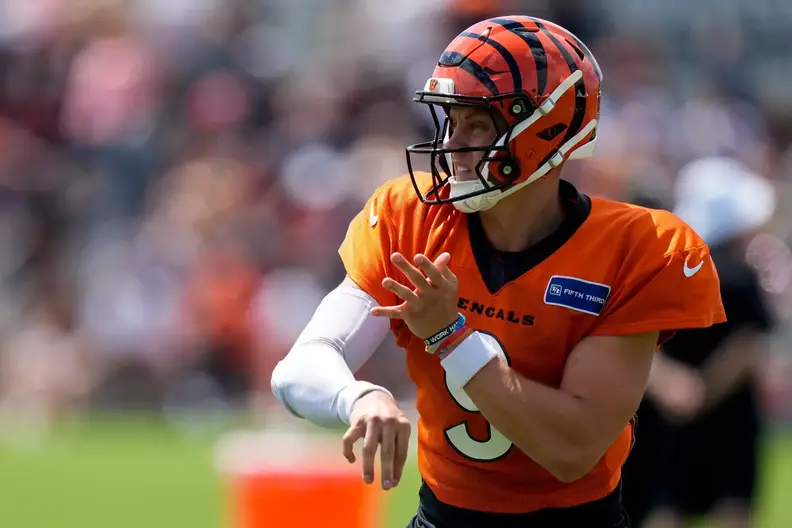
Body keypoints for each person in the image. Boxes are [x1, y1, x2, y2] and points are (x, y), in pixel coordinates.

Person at [271, 15, 726, 528]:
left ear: (545, 127)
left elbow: (571, 449)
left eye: (476, 123)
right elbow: (297, 370)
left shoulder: (637, 247)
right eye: (450, 121)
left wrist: (450, 336)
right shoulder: (411, 218)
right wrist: (359, 396)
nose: (450, 145)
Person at [622, 156, 777, 528]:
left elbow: (635, 339)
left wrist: (674, 386)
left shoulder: (665, 271)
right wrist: (705, 388)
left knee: (665, 507)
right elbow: (748, 346)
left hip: (668, 416)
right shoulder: (740, 278)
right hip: (730, 415)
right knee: (731, 507)